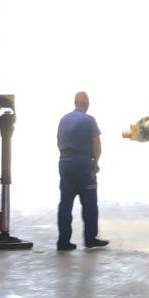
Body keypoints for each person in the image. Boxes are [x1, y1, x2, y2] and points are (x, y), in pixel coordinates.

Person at [56, 91, 109, 251]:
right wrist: (95, 163)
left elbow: (58, 141)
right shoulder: (89, 120)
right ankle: (90, 239)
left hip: (64, 163)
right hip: (83, 165)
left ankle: (63, 242)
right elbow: (97, 144)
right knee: (89, 203)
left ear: (75, 103)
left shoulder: (63, 119)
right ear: (86, 104)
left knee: (65, 203)